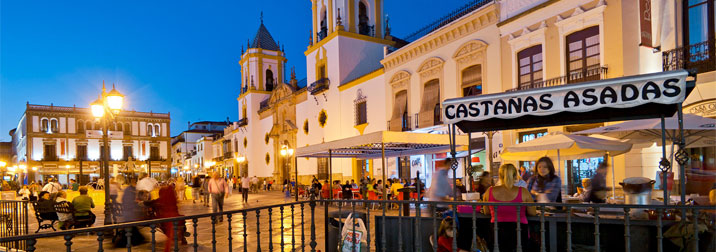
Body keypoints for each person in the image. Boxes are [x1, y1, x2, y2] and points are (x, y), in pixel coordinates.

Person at [482, 164, 536, 252]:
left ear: (500, 176)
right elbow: (532, 213)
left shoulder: (490, 191)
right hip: (519, 232)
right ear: (515, 175)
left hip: (497, 233)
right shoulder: (523, 192)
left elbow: (486, 212)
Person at [145, 185, 187, 251]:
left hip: (164, 220)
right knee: (179, 222)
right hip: (176, 219)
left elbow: (149, 203)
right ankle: (182, 236)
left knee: (169, 230)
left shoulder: (160, 200)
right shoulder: (172, 200)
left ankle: (169, 246)